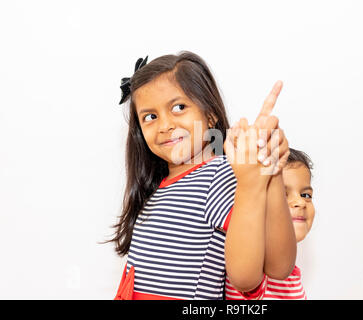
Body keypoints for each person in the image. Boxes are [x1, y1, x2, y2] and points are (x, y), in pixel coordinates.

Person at [109, 51, 297, 300]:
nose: (164, 125)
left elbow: (264, 272)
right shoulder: (161, 186)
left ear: (210, 114)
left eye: (179, 107)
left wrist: (266, 176)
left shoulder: (218, 175)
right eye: (150, 117)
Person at [225, 148, 315, 300]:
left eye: (305, 195)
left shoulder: (291, 275)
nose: (300, 202)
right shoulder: (252, 265)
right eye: (281, 195)